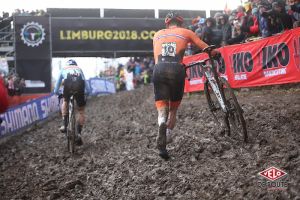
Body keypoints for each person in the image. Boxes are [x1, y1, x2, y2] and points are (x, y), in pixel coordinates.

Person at [152, 11, 219, 159]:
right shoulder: (186, 31)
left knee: (162, 108)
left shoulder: (157, 34)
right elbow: (204, 46)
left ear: (167, 23)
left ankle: (162, 124)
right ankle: (168, 133)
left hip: (159, 69)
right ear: (180, 22)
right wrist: (215, 52)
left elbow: (156, 57)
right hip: (176, 69)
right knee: (173, 110)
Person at [54, 59, 90, 145]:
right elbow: (85, 82)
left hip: (68, 85)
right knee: (81, 111)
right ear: (75, 64)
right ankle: (79, 134)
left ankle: (64, 124)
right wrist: (87, 92)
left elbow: (58, 82)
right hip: (79, 86)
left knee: (65, 101)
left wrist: (56, 92)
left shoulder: (64, 68)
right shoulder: (79, 69)